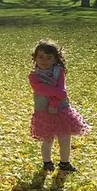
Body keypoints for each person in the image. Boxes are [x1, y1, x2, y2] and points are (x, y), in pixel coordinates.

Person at [28, 40, 90, 172]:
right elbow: (45, 90)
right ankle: (47, 162)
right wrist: (59, 94)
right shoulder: (34, 76)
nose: (44, 60)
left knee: (65, 138)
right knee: (47, 139)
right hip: (44, 111)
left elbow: (61, 88)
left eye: (49, 57)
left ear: (55, 59)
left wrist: (55, 103)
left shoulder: (59, 71)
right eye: (41, 57)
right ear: (35, 58)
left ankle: (64, 163)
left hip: (61, 110)